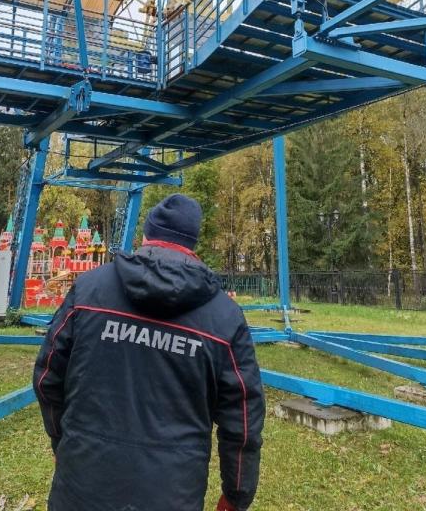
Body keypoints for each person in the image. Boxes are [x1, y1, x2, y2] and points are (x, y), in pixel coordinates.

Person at [33, 193, 265, 511]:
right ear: (192, 243)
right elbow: (243, 420)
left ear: (146, 236)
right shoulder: (225, 317)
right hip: (172, 493)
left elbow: (47, 376)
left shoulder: (88, 290)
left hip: (82, 486)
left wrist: (64, 441)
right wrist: (236, 496)